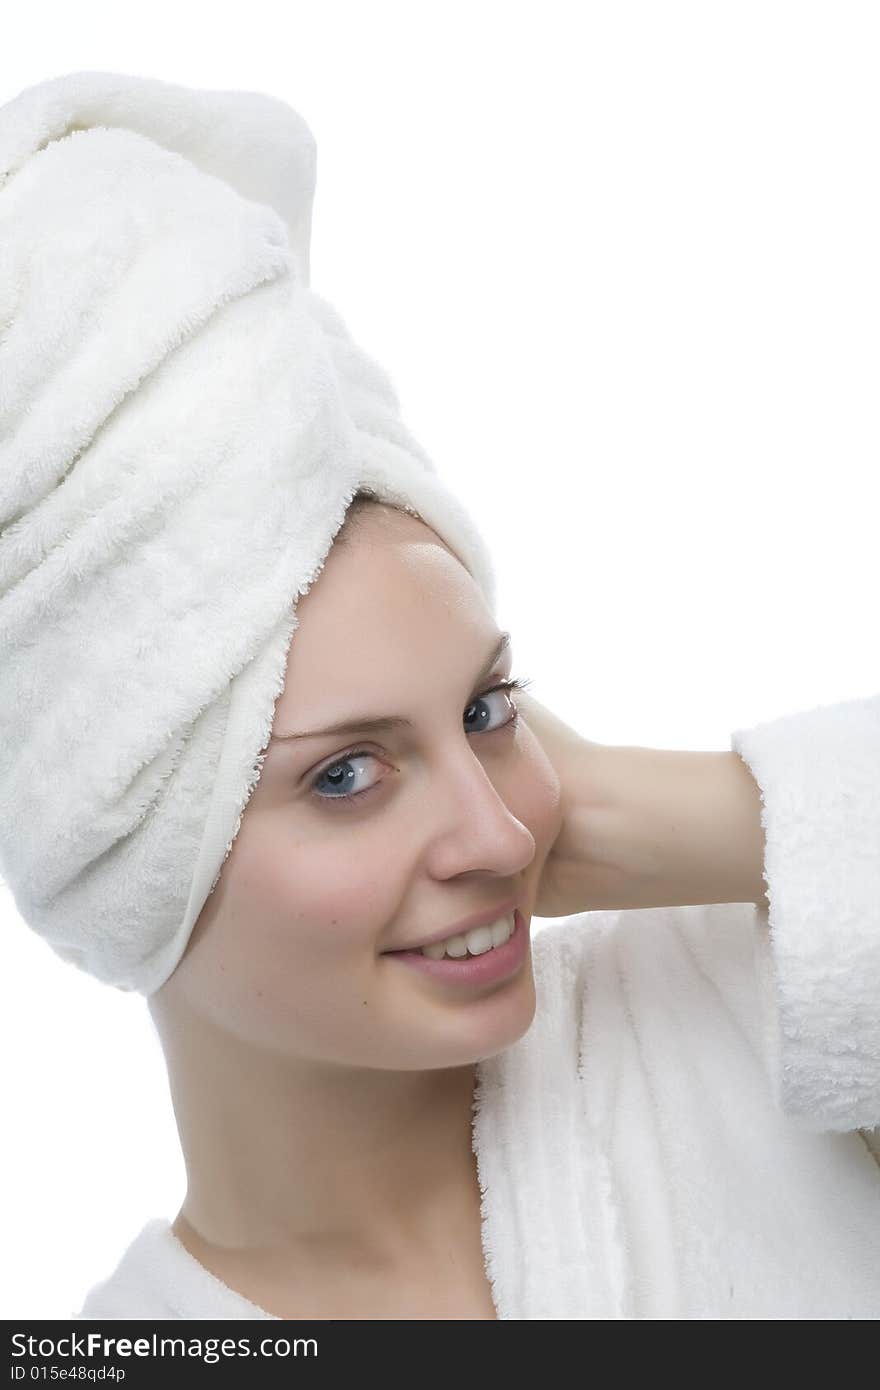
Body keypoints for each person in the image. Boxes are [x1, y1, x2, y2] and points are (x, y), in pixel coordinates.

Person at [76, 494, 880, 1320]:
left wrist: (644, 812)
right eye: (345, 774)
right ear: (125, 870)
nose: (503, 840)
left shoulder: (754, 1004)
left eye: (486, 712)